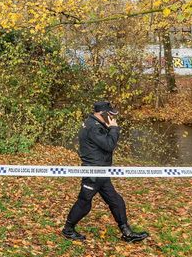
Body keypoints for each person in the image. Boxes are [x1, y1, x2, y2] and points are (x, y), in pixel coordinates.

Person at [61, 101, 149, 243]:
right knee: (84, 203)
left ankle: (127, 232)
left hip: (101, 171)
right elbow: (109, 145)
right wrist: (114, 129)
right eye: (109, 114)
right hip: (94, 173)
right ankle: (68, 230)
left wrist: (109, 128)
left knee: (116, 200)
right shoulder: (93, 127)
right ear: (102, 114)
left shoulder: (94, 123)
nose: (112, 118)